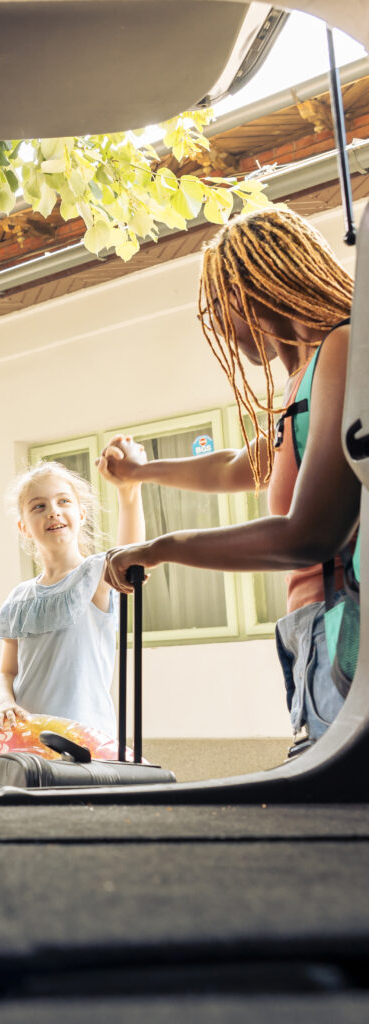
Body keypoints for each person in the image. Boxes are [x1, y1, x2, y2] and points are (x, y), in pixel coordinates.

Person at [103, 206, 360, 747]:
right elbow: (236, 467)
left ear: (261, 286)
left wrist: (162, 547)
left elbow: (310, 534)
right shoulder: (304, 381)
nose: (220, 325)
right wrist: (141, 471)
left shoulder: (342, 348)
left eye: (222, 307)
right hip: (313, 630)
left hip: (344, 624)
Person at [0, 450, 145, 739]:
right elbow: (6, 672)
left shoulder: (95, 575)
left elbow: (131, 556)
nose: (53, 511)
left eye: (63, 501)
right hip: (30, 741)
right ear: (23, 527)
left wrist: (128, 491)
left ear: (81, 514)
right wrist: (4, 701)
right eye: (38, 506)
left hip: (88, 742)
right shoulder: (18, 598)